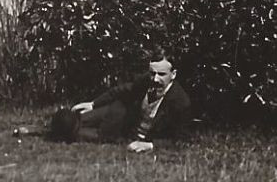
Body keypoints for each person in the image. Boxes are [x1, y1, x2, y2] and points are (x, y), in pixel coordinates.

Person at [38, 56, 191, 152]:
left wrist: (149, 145)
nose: (155, 79)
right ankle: (39, 129)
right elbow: (120, 90)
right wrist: (93, 104)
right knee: (70, 118)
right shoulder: (146, 81)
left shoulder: (180, 102)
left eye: (161, 74)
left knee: (72, 132)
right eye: (152, 73)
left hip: (122, 133)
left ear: (173, 75)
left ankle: (43, 132)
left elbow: (180, 141)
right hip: (118, 113)